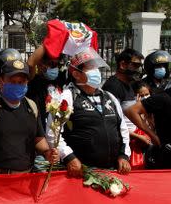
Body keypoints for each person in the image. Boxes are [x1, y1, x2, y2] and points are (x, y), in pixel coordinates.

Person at [0, 59, 57, 190]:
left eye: (21, 82)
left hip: (23, 183)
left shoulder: (31, 107)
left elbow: (38, 139)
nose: (17, 85)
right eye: (12, 81)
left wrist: (48, 153)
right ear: (1, 81)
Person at [48, 47, 131, 176]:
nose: (96, 72)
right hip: (81, 172)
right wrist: (69, 157)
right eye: (91, 68)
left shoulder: (109, 97)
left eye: (96, 67)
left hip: (112, 171)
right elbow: (53, 132)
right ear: (76, 74)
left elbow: (122, 129)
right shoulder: (66, 98)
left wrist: (124, 155)